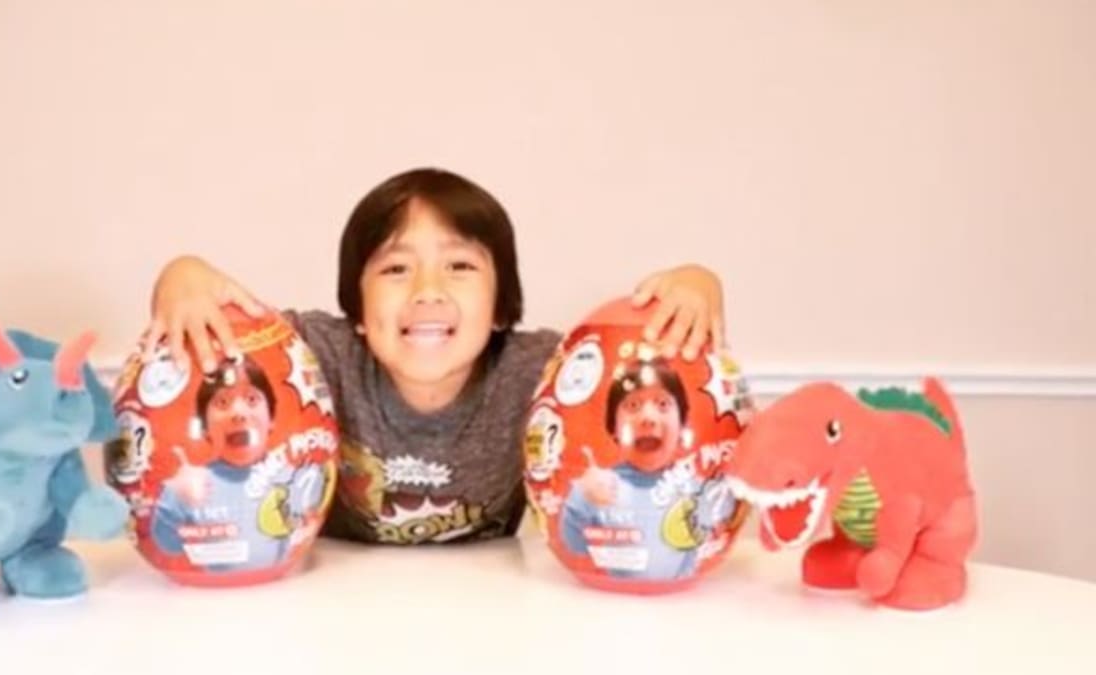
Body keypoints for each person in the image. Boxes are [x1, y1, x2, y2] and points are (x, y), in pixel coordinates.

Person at [145, 167, 728, 545]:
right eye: (396, 268)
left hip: (486, 606)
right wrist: (181, 274)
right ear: (356, 308)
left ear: (500, 306)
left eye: (460, 265)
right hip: (334, 601)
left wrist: (697, 282)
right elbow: (216, 311)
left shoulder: (545, 373)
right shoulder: (314, 359)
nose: (428, 290)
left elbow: (635, 367)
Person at [560, 357, 737, 580]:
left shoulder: (696, 490)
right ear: (613, 427)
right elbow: (573, 546)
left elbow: (724, 521)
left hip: (684, 599)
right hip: (610, 598)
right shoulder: (598, 487)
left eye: (662, 404)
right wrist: (581, 498)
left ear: (682, 424)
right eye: (633, 405)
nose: (648, 418)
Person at [150, 355, 326, 570]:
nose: (238, 413)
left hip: (285, 586)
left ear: (271, 418)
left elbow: (298, 536)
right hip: (213, 592)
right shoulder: (192, 482)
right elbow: (167, 546)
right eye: (222, 402)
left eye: (251, 400)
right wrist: (176, 500)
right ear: (204, 427)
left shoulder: (293, 478)